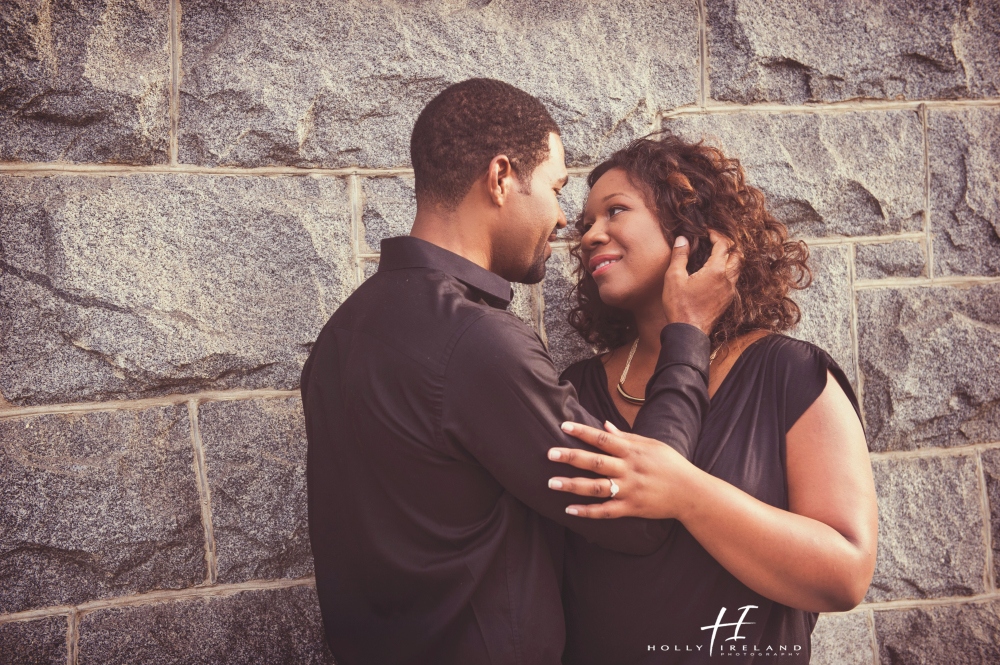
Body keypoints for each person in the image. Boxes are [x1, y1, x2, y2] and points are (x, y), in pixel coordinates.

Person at [300, 79, 740, 664]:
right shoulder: (473, 341)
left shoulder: (343, 332)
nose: (565, 222)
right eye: (558, 189)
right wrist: (687, 333)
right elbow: (635, 513)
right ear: (501, 177)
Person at [545, 132, 878, 664]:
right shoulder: (576, 387)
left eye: (615, 211)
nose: (588, 236)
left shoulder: (786, 373)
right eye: (586, 224)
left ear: (687, 230)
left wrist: (686, 493)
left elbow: (845, 575)